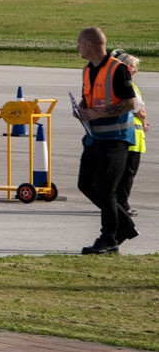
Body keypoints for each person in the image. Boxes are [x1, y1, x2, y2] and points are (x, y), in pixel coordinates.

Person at [74, 27, 139, 254]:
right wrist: (82, 107)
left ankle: (109, 237)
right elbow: (89, 97)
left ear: (90, 44)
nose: (77, 47)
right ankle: (125, 225)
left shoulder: (118, 69)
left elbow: (131, 103)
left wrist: (99, 114)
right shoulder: (87, 70)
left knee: (105, 187)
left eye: (79, 43)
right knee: (85, 184)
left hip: (116, 138)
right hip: (95, 137)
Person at [113, 50, 147, 219]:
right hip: (131, 136)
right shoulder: (126, 86)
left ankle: (118, 203)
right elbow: (137, 109)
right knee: (127, 173)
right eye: (133, 67)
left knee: (125, 172)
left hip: (134, 136)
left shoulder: (129, 84)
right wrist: (142, 118)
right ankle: (122, 204)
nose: (135, 70)